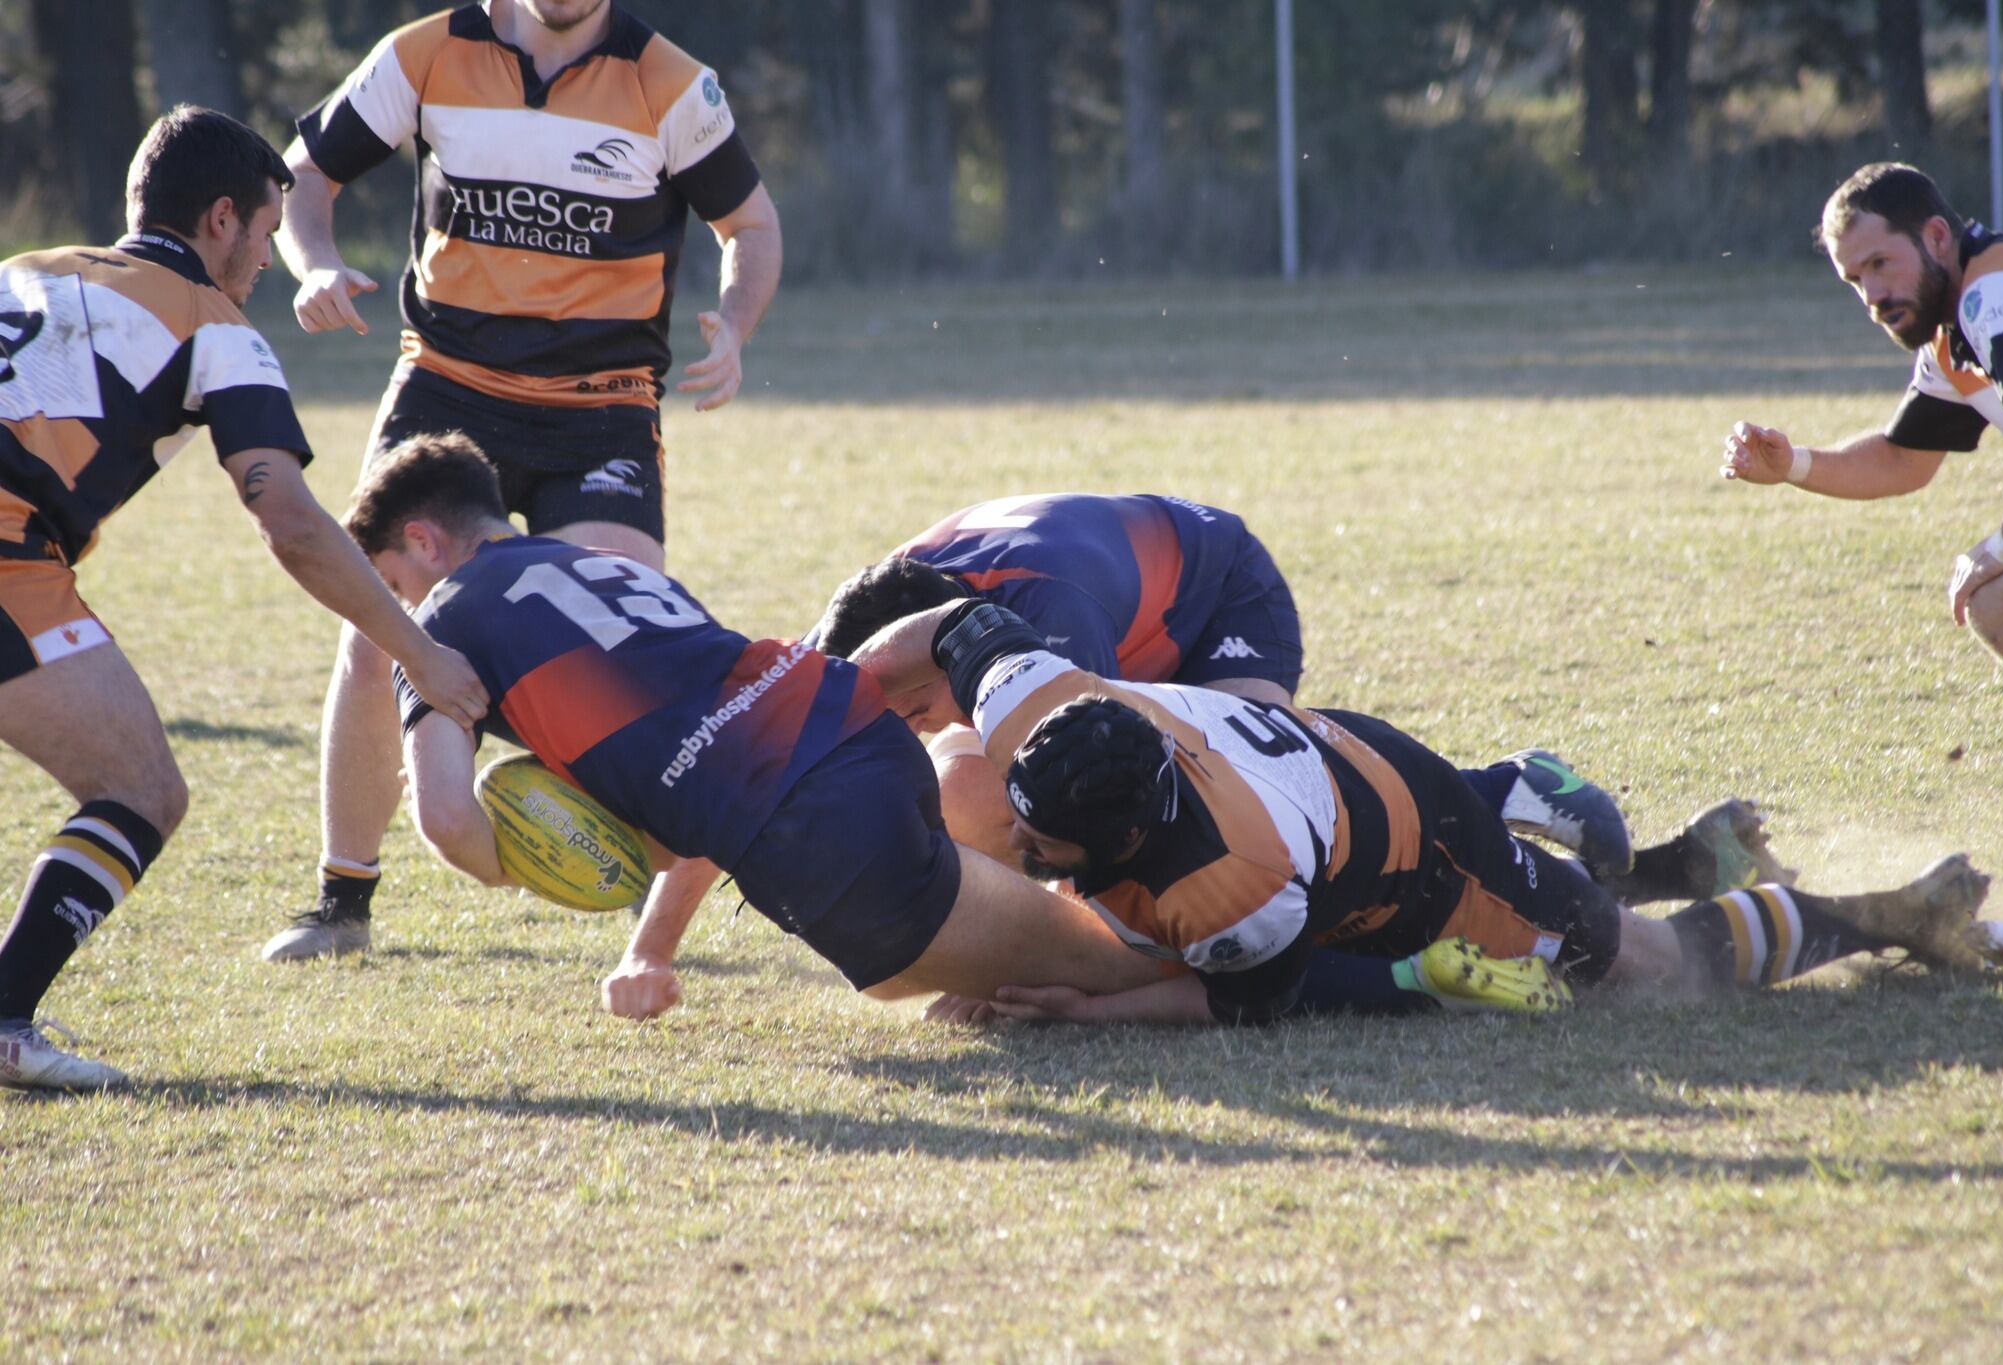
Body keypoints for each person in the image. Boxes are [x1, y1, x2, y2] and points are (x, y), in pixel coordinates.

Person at [341, 432, 1204, 1018]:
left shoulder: (444, 621)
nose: (397, 614)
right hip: (856, 730)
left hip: (821, 831)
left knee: (1110, 974)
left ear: (424, 542)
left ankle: (1297, 961)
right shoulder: (593, 561)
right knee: (921, 979)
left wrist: (523, 863)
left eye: (392, 585)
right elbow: (721, 749)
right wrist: (651, 948)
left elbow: (450, 821)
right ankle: (1148, 922)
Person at [261, 0, 782, 961]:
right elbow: (304, 176)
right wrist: (315, 263)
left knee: (624, 627)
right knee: (377, 629)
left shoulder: (669, 82)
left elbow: (748, 221)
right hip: (448, 386)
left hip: (603, 403)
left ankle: (644, 869)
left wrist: (737, 325)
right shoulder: (424, 54)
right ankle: (343, 900)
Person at [855, 599, 1996, 1027]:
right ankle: (1677, 852)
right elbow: (955, 621)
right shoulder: (1039, 705)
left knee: (1640, 967)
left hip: (1411, 845)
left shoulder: (1228, 887)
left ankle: (1889, 916)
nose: (1021, 845)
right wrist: (836, 694)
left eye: (1044, 845)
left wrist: (1081, 1012)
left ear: (1122, 840)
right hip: (1320, 775)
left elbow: (1251, 994)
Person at [0, 108, 489, 1091]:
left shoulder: (28, 267)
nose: (268, 257)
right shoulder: (214, 327)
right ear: (221, 220)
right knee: (143, 791)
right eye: (268, 231)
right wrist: (419, 650)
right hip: (10, 557)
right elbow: (295, 523)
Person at [813, 491, 1633, 876]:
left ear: (940, 649)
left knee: (1268, 777)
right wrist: (673, 937)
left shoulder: (1048, 608)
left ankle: (1507, 787)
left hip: (1223, 593)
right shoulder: (868, 627)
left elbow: (1086, 797)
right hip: (1111, 610)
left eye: (916, 710)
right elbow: (752, 748)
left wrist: (1008, 962)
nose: (916, 727)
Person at [1721, 163, 2003, 707]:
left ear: (1937, 237)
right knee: (1998, 603)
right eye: (1855, 280)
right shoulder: (1952, 327)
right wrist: (1792, 465)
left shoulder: (1996, 292)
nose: (1872, 294)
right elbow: (1904, 458)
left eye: (1880, 263)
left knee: (2002, 599)